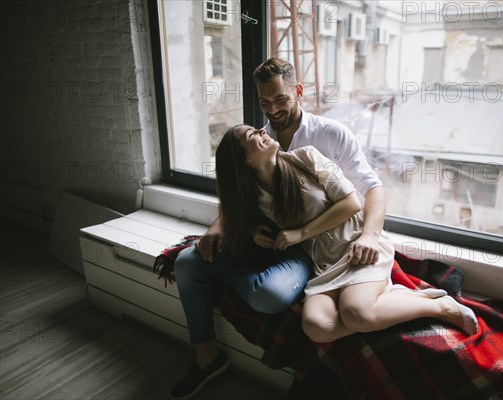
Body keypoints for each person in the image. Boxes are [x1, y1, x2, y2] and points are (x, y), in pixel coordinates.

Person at [170, 57, 387, 400]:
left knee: (270, 294)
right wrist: (218, 227)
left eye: (281, 100)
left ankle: (231, 275)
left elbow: (371, 188)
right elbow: (238, 192)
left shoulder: (329, 136)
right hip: (266, 237)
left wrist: (371, 235)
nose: (272, 111)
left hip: (309, 247)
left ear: (298, 92)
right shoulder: (260, 139)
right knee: (186, 263)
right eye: (264, 102)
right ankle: (206, 355)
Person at [216, 124, 478, 344]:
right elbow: (233, 214)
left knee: (357, 314)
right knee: (317, 327)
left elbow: (352, 203)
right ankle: (401, 297)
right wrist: (251, 231)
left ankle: (440, 307)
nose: (263, 130)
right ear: (247, 160)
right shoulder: (254, 197)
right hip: (324, 263)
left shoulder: (308, 156)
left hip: (355, 245)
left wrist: (301, 233)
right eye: (253, 135)